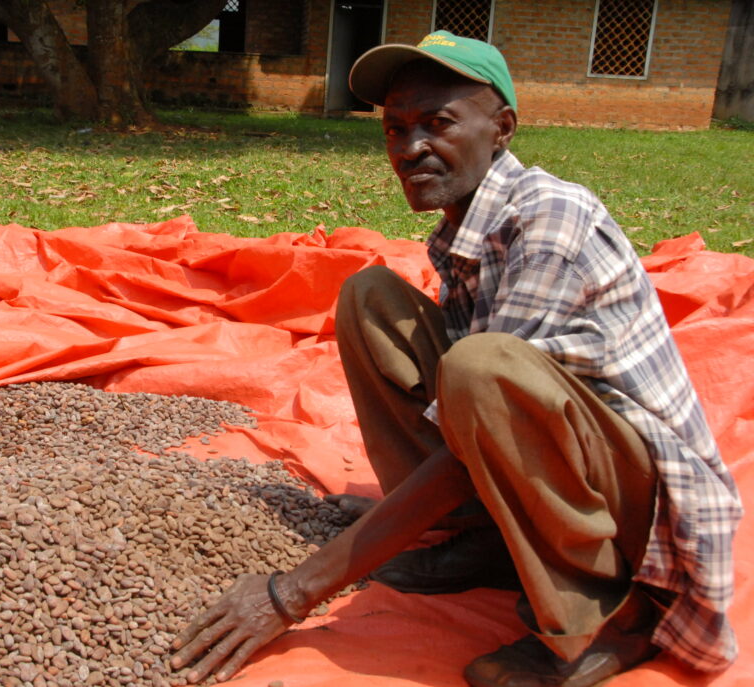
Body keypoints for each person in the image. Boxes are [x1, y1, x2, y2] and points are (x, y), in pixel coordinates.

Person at [169, 31, 742, 687]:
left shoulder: (550, 217)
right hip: (572, 461)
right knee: (371, 301)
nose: (410, 149)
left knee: (479, 367)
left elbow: (484, 397)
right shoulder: (467, 228)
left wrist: (291, 590)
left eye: (438, 123)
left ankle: (612, 613)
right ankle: (489, 539)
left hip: (639, 516)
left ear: (501, 128)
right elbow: (471, 415)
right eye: (395, 128)